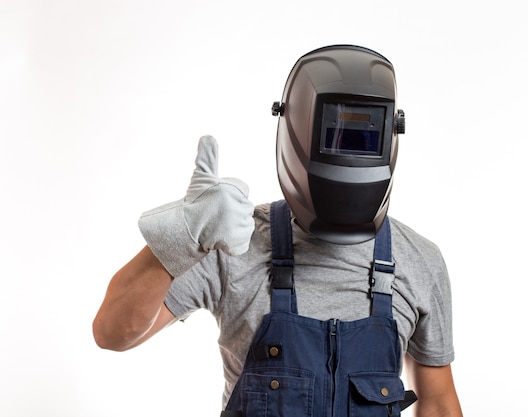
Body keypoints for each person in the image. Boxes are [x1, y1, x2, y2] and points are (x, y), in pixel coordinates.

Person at [93, 45, 463, 417]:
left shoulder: (419, 261)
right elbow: (112, 332)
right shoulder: (234, 241)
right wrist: (182, 236)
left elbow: (437, 401)